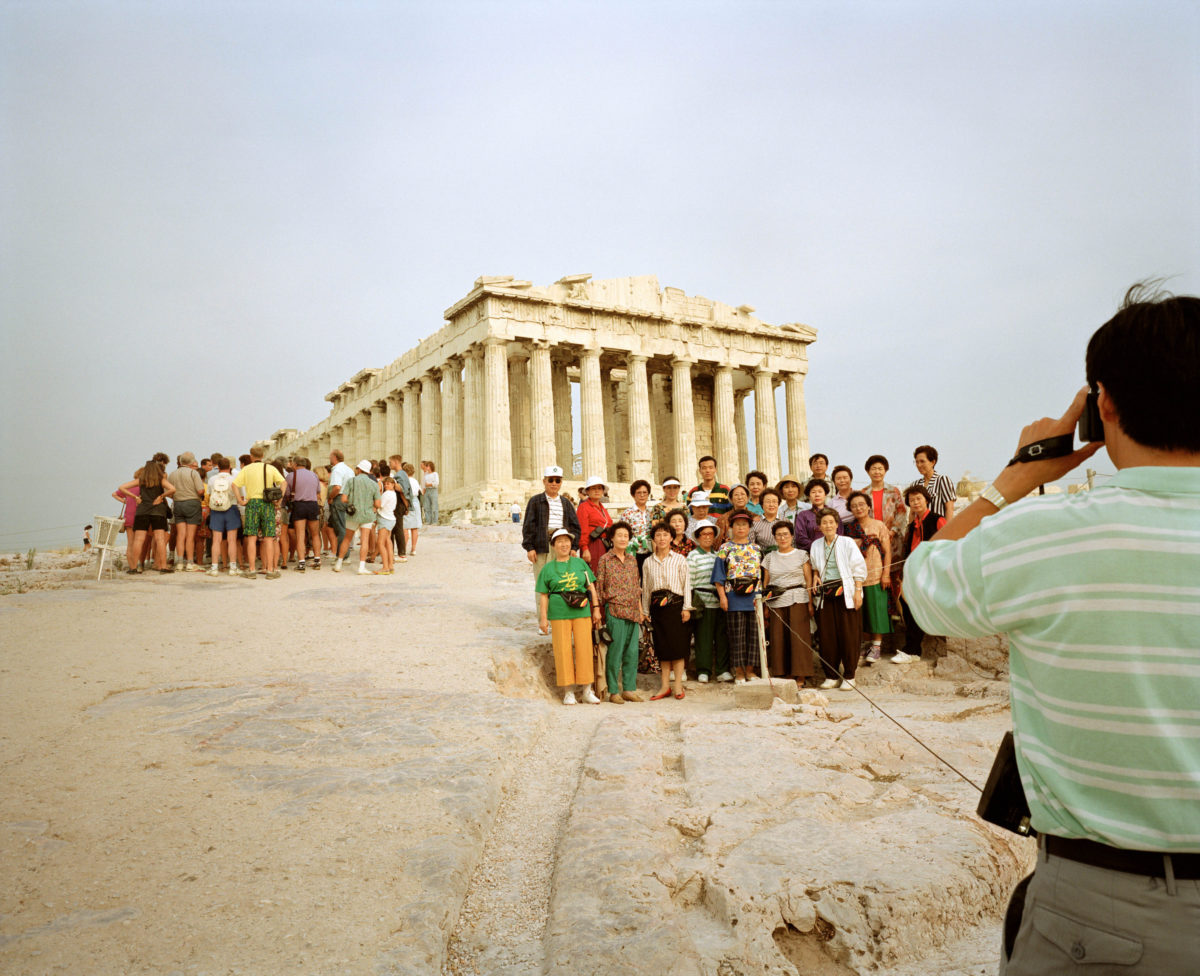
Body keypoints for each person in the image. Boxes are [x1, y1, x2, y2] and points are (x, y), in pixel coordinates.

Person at [903, 285, 1200, 976]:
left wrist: (1017, 477)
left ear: (1103, 407)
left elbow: (925, 586)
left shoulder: (1045, 537)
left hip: (1106, 913)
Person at [536, 528, 603, 705]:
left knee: (584, 649)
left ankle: (587, 690)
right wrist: (543, 619)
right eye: (559, 541)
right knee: (562, 650)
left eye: (566, 541)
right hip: (559, 612)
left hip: (581, 610)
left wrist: (596, 608)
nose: (564, 544)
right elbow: (543, 595)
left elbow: (591, 587)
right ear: (554, 546)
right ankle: (568, 691)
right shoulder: (547, 568)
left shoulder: (580, 564)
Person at [809, 508, 867, 689]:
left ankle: (850, 675)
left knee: (848, 634)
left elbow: (859, 568)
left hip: (847, 593)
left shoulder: (847, 542)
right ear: (819, 526)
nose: (828, 525)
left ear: (837, 524)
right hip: (826, 595)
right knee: (827, 635)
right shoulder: (816, 545)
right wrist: (816, 576)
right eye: (824, 523)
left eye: (831, 522)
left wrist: (858, 592)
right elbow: (815, 566)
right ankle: (831, 675)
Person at [594, 522, 644, 704]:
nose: (623, 538)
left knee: (632, 653)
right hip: (614, 610)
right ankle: (613, 691)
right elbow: (599, 586)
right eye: (619, 535)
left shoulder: (632, 560)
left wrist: (640, 609)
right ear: (612, 538)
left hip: (632, 610)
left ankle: (629, 689)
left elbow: (636, 587)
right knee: (615, 653)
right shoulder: (605, 560)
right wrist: (598, 611)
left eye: (625, 535)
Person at [642, 522, 693, 700]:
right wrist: (645, 610)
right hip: (657, 608)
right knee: (662, 647)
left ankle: (678, 686)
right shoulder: (648, 562)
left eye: (665, 534)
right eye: (658, 535)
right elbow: (646, 587)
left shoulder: (679, 559)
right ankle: (664, 686)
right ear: (653, 539)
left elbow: (687, 584)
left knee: (678, 647)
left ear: (671, 537)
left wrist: (687, 607)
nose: (662, 538)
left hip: (676, 606)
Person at [894, 485, 944, 663]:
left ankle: (912, 649)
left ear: (926, 499)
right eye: (912, 500)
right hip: (913, 571)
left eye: (918, 499)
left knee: (915, 604)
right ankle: (912, 649)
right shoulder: (912, 526)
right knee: (904, 601)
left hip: (930, 572)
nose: (915, 503)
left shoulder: (937, 520)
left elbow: (946, 544)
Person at [762, 520, 814, 684]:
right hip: (776, 600)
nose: (782, 538)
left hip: (798, 598)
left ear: (792, 536)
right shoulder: (769, 557)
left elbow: (808, 580)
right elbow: (766, 582)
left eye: (786, 534)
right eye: (779, 535)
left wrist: (810, 603)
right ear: (774, 538)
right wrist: (765, 605)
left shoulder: (801, 555)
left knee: (798, 638)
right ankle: (783, 674)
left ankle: (800, 674)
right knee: (778, 638)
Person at [712, 511, 762, 683]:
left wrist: (761, 597)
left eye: (744, 524)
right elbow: (719, 576)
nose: (741, 527)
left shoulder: (756, 548)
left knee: (754, 637)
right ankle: (739, 672)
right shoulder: (725, 548)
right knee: (736, 637)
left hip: (754, 598)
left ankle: (750, 671)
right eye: (737, 524)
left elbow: (762, 574)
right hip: (733, 596)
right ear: (731, 527)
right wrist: (723, 597)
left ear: (749, 527)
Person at [522, 466, 581, 611]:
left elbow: (575, 527)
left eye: (557, 480)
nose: (554, 483)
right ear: (544, 481)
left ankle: (558, 616)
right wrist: (529, 548)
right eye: (551, 480)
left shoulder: (566, 503)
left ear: (561, 483)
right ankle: (543, 621)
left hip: (562, 546)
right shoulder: (535, 501)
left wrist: (573, 547)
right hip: (542, 545)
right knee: (542, 583)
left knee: (562, 581)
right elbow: (528, 525)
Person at [846, 491, 893, 664]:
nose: (858, 508)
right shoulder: (849, 528)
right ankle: (865, 644)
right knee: (861, 612)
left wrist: (886, 574)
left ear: (868, 506)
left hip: (876, 573)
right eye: (854, 505)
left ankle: (876, 646)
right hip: (856, 577)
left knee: (877, 610)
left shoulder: (879, 525)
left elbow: (887, 552)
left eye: (861, 504)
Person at [686, 520, 731, 682]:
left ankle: (722, 670)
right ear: (698, 537)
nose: (707, 537)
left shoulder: (718, 555)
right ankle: (703, 670)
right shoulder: (693, 556)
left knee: (721, 637)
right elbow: (688, 582)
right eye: (703, 534)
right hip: (702, 602)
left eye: (710, 534)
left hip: (720, 601)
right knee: (703, 638)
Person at [232, 447, 285, 579]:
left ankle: (251, 570)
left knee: (251, 537)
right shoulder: (270, 468)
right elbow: (284, 483)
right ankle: (271, 570)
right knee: (269, 538)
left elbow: (234, 485)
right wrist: (280, 498)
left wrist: (240, 500)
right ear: (262, 455)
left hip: (252, 503)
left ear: (251, 456)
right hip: (267, 504)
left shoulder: (246, 469)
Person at [122, 460, 176, 573]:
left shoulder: (141, 480)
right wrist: (161, 496)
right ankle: (163, 567)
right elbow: (173, 489)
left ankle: (133, 568)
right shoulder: (161, 480)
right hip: (158, 511)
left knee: (138, 540)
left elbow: (122, 487)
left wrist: (135, 497)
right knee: (160, 539)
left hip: (142, 511)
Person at [336, 460, 382, 575]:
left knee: (347, 539)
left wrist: (353, 500)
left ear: (359, 469)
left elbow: (343, 499)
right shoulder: (374, 484)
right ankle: (361, 567)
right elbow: (377, 504)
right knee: (365, 540)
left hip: (353, 514)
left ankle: (339, 563)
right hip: (367, 514)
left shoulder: (351, 481)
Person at [863, 455, 907, 558]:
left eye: (880, 469)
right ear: (868, 471)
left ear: (885, 471)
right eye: (873, 469)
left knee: (893, 567)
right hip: (872, 539)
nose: (877, 472)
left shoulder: (893, 491)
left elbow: (901, 512)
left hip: (893, 538)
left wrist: (892, 531)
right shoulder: (864, 493)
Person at [204, 456, 241, 577]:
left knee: (216, 540)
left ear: (218, 467)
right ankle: (233, 567)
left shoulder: (212, 479)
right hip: (231, 508)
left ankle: (214, 567)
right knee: (232, 540)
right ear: (230, 467)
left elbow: (208, 495)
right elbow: (239, 495)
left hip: (216, 509)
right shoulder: (234, 479)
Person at [287, 457, 322, 571]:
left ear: (295, 464)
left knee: (300, 535)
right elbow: (318, 491)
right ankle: (317, 559)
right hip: (312, 505)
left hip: (299, 505)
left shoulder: (291, 476)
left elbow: (287, 493)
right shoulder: (314, 475)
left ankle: (301, 563)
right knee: (315, 534)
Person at [908, 445, 956, 520]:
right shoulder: (915, 484)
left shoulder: (943, 480)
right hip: (920, 530)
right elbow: (912, 513)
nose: (919, 465)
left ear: (933, 462)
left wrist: (946, 530)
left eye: (922, 461)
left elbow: (949, 509)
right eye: (916, 462)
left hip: (938, 529)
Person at [794, 479, 843, 553]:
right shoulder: (803, 515)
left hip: (834, 553)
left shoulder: (834, 514)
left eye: (820, 492)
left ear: (825, 494)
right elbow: (800, 539)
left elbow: (840, 534)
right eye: (813, 492)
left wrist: (830, 547)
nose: (817, 495)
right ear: (809, 496)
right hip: (811, 554)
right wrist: (819, 547)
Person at [576, 475, 613, 568]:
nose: (597, 491)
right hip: (592, 545)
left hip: (605, 545)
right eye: (593, 488)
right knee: (594, 573)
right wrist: (584, 549)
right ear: (587, 491)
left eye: (599, 488)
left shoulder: (602, 508)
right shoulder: (584, 507)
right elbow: (582, 529)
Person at [326, 450, 355, 559]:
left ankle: (342, 555)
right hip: (347, 498)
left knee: (340, 528)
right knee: (343, 526)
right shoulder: (348, 469)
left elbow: (337, 487)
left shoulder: (337, 470)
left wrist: (331, 497)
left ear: (334, 457)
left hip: (338, 498)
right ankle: (342, 554)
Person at [112, 470, 141, 571]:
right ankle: (137, 565)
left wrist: (125, 501)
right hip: (138, 516)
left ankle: (131, 567)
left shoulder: (129, 487)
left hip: (128, 516)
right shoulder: (142, 487)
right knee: (139, 542)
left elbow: (114, 494)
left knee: (130, 543)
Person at [618, 479, 654, 557]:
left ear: (648, 495)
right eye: (639, 493)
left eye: (645, 492)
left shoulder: (652, 513)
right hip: (633, 552)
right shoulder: (627, 513)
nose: (642, 495)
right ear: (633, 495)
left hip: (651, 552)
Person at [374, 477, 398, 575]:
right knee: (388, 541)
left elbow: (380, 505)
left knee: (380, 543)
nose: (387, 485)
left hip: (384, 518)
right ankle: (391, 565)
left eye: (389, 483)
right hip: (391, 518)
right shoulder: (393, 494)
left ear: (393, 485)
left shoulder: (386, 494)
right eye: (386, 483)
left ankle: (385, 567)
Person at [749, 488, 783, 552]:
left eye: (774, 501)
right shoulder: (755, 523)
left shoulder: (785, 521)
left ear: (778, 504)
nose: (771, 505)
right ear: (762, 504)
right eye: (768, 501)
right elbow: (751, 547)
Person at [421, 460, 439, 525]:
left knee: (434, 505)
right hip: (427, 490)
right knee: (427, 506)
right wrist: (423, 490)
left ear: (431, 466)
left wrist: (429, 484)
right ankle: (428, 520)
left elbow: (436, 483)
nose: (426, 467)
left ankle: (435, 521)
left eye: (427, 466)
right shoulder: (426, 475)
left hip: (433, 490)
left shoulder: (435, 474)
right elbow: (424, 484)